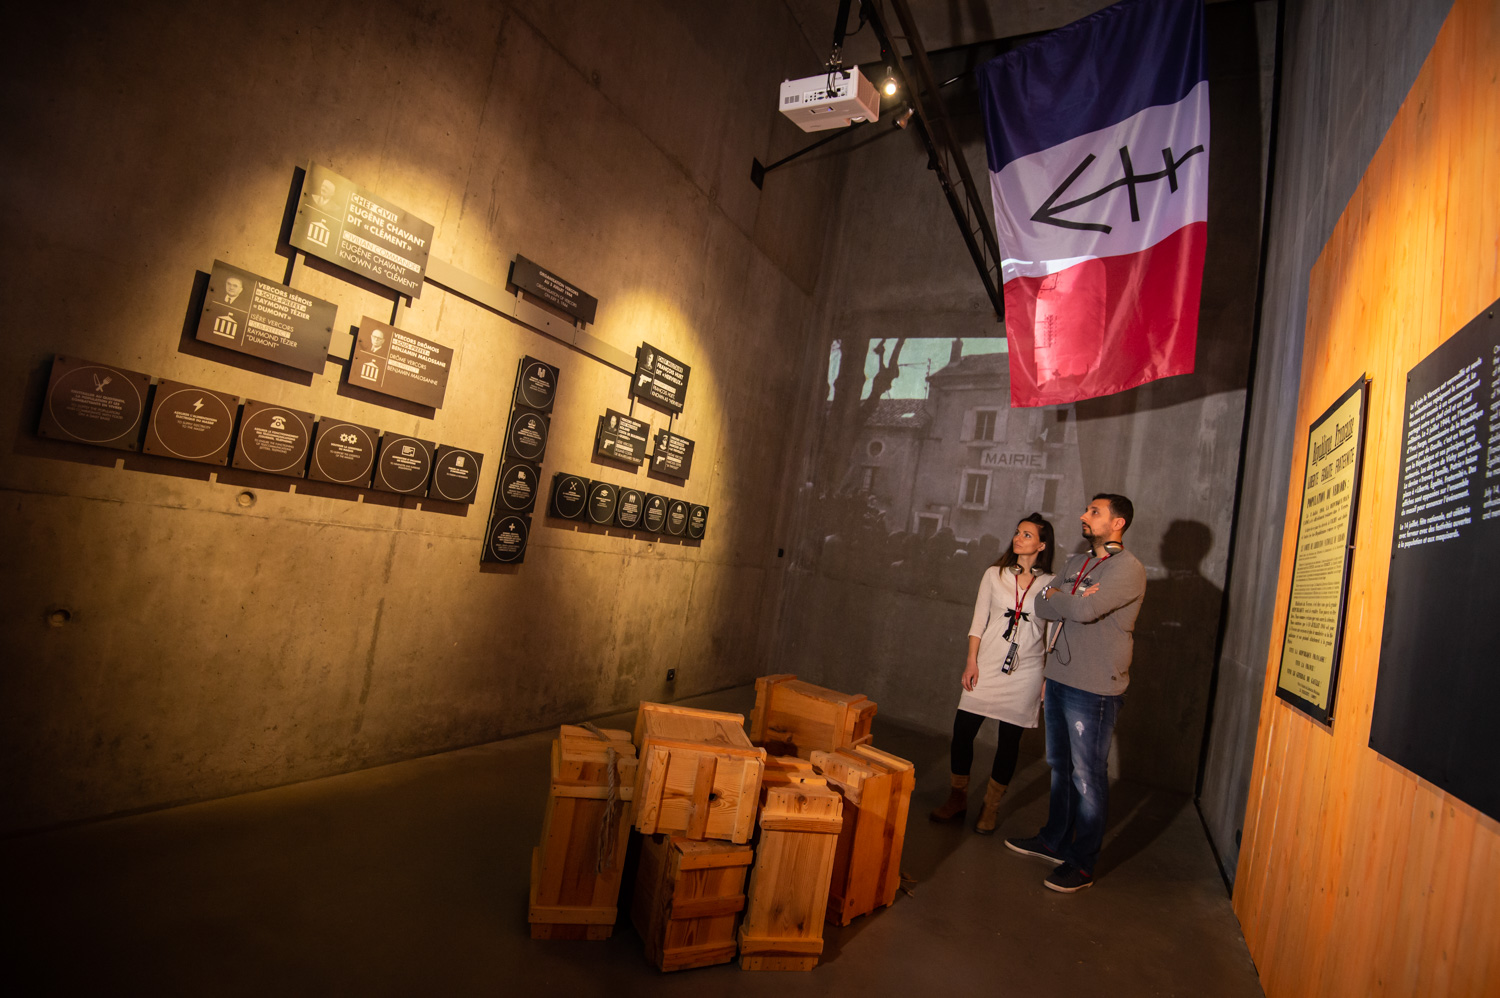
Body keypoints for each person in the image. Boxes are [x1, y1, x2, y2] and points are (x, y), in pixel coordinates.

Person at [1006, 493, 1146, 893]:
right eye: (1086, 509)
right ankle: (1053, 841)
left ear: (1117, 523)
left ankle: (1082, 863)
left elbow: (1083, 611)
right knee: (1060, 766)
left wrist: (1064, 598)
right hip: (1061, 678)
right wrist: (1068, 598)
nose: (1084, 515)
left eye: (1094, 512)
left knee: (1087, 776)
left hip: (1095, 687)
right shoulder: (1076, 562)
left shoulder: (1127, 568)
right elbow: (1041, 604)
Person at [930, 515, 1056, 833]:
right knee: (962, 733)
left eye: (1027, 535)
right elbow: (978, 622)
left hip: (1027, 670)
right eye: (1017, 532)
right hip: (986, 664)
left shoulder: (1051, 584)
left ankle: (991, 807)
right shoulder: (994, 574)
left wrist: (1047, 679)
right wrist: (971, 662)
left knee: (1009, 742)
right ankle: (957, 797)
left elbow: (1053, 635)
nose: (1018, 537)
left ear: (1041, 545)